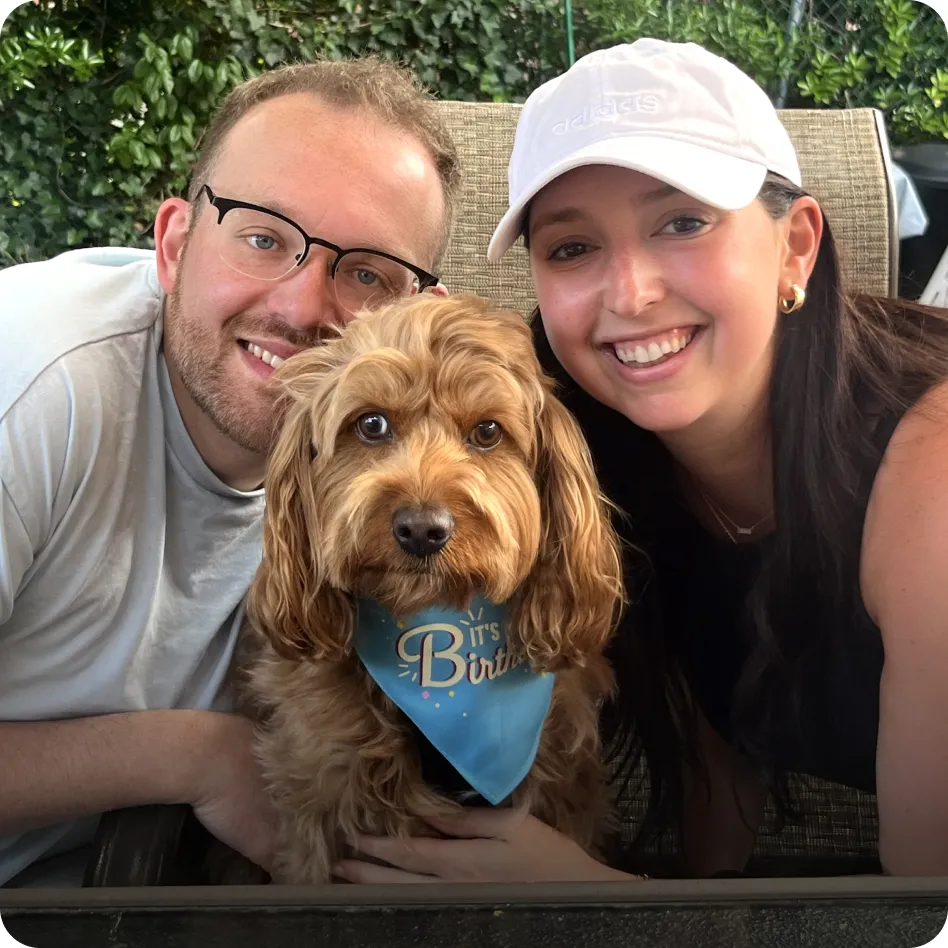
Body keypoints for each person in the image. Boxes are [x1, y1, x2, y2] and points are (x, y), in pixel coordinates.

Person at [334, 39, 948, 884]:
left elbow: (920, 909)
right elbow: (719, 745)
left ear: (796, 247)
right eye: (571, 248)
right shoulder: (592, 450)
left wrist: (592, 900)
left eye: (683, 222)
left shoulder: (930, 474)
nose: (630, 293)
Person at [0, 55, 460, 887]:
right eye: (263, 238)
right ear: (174, 244)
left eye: (366, 272)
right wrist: (191, 756)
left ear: (420, 316)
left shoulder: (403, 480)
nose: (302, 308)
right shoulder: (32, 390)